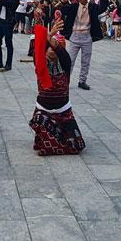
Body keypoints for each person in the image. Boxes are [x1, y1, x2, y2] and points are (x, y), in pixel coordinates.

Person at [28, 20, 86, 155]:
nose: (51, 50)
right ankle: (55, 145)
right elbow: (38, 52)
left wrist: (54, 43)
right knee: (38, 119)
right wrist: (48, 36)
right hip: (44, 112)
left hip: (64, 113)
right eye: (49, 47)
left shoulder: (65, 65)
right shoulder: (41, 67)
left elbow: (65, 57)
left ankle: (54, 145)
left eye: (55, 47)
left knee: (78, 145)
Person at [57, 0, 106, 90]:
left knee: (85, 61)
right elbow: (61, 10)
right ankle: (66, 81)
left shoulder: (93, 7)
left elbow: (103, 8)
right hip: (74, 36)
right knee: (69, 60)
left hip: (87, 36)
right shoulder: (73, 6)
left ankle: (82, 81)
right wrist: (62, 1)